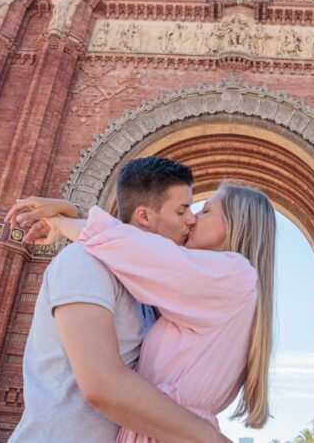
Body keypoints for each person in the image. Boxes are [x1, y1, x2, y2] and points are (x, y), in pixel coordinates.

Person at [5, 156, 230, 442]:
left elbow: (120, 239)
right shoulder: (84, 261)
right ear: (145, 216)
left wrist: (71, 214)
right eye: (183, 209)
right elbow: (102, 385)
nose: (192, 219)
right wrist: (208, 437)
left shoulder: (148, 286)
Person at [33, 180, 277, 442]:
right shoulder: (223, 284)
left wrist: (61, 221)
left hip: (169, 431)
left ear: (235, 223)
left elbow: (131, 247)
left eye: (205, 211)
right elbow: (139, 247)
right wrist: (76, 215)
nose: (193, 220)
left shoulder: (231, 274)